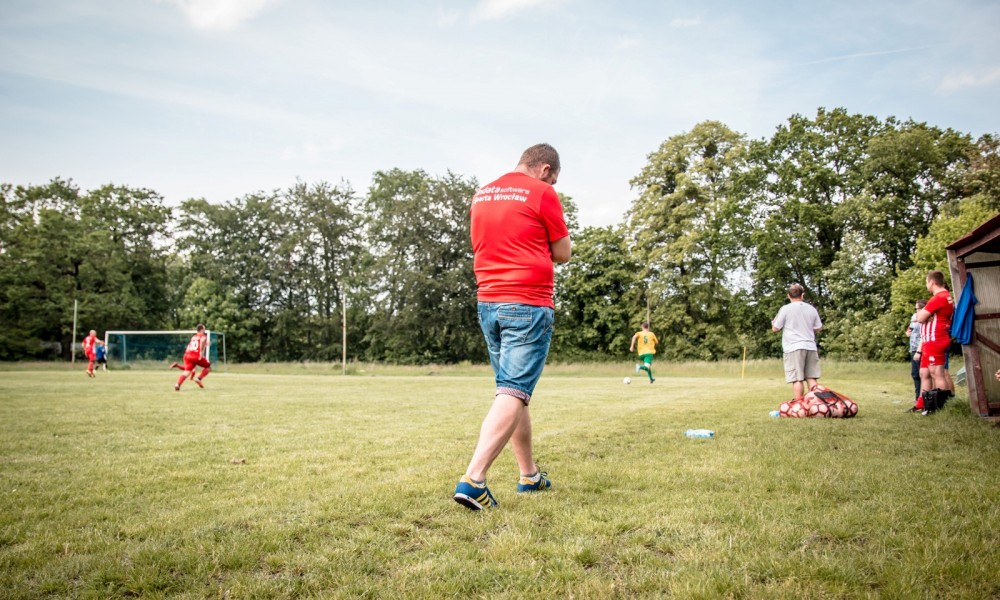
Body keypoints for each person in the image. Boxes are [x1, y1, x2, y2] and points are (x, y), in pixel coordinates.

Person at [453, 143, 571, 511]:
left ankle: (529, 475)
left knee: (513, 390)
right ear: (546, 169)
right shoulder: (542, 192)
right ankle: (474, 480)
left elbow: (482, 244)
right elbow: (563, 253)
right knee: (514, 391)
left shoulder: (482, 193)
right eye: (555, 177)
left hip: (489, 301)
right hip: (527, 302)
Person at [771, 283, 823, 400]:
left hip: (793, 347)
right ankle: (816, 405)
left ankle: (798, 405)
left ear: (788, 295)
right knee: (812, 377)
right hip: (810, 346)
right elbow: (819, 328)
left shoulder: (785, 309)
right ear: (802, 295)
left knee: (797, 378)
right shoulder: (811, 309)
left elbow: (775, 328)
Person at [914, 270, 954, 414]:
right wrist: (924, 314)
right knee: (924, 372)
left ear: (932, 282)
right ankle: (924, 403)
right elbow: (920, 316)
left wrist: (923, 314)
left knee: (937, 373)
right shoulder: (946, 296)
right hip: (930, 339)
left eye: (926, 282)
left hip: (935, 338)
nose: (927, 285)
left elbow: (918, 318)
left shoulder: (939, 297)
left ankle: (942, 406)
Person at [172, 324, 211, 391]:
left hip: (188, 355)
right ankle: (198, 378)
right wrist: (201, 352)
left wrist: (204, 345)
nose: (204, 331)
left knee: (187, 371)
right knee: (208, 366)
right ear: (201, 330)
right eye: (204, 329)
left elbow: (195, 345)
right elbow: (202, 340)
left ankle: (178, 384)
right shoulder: (203, 336)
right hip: (196, 355)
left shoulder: (193, 337)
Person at [905, 300, 926, 406]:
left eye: (917, 308)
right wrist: (908, 332)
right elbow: (909, 330)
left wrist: (919, 350)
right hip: (913, 348)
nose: (916, 310)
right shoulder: (914, 317)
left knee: (923, 374)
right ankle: (917, 397)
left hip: (920, 348)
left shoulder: (924, 318)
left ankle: (923, 397)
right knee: (915, 374)